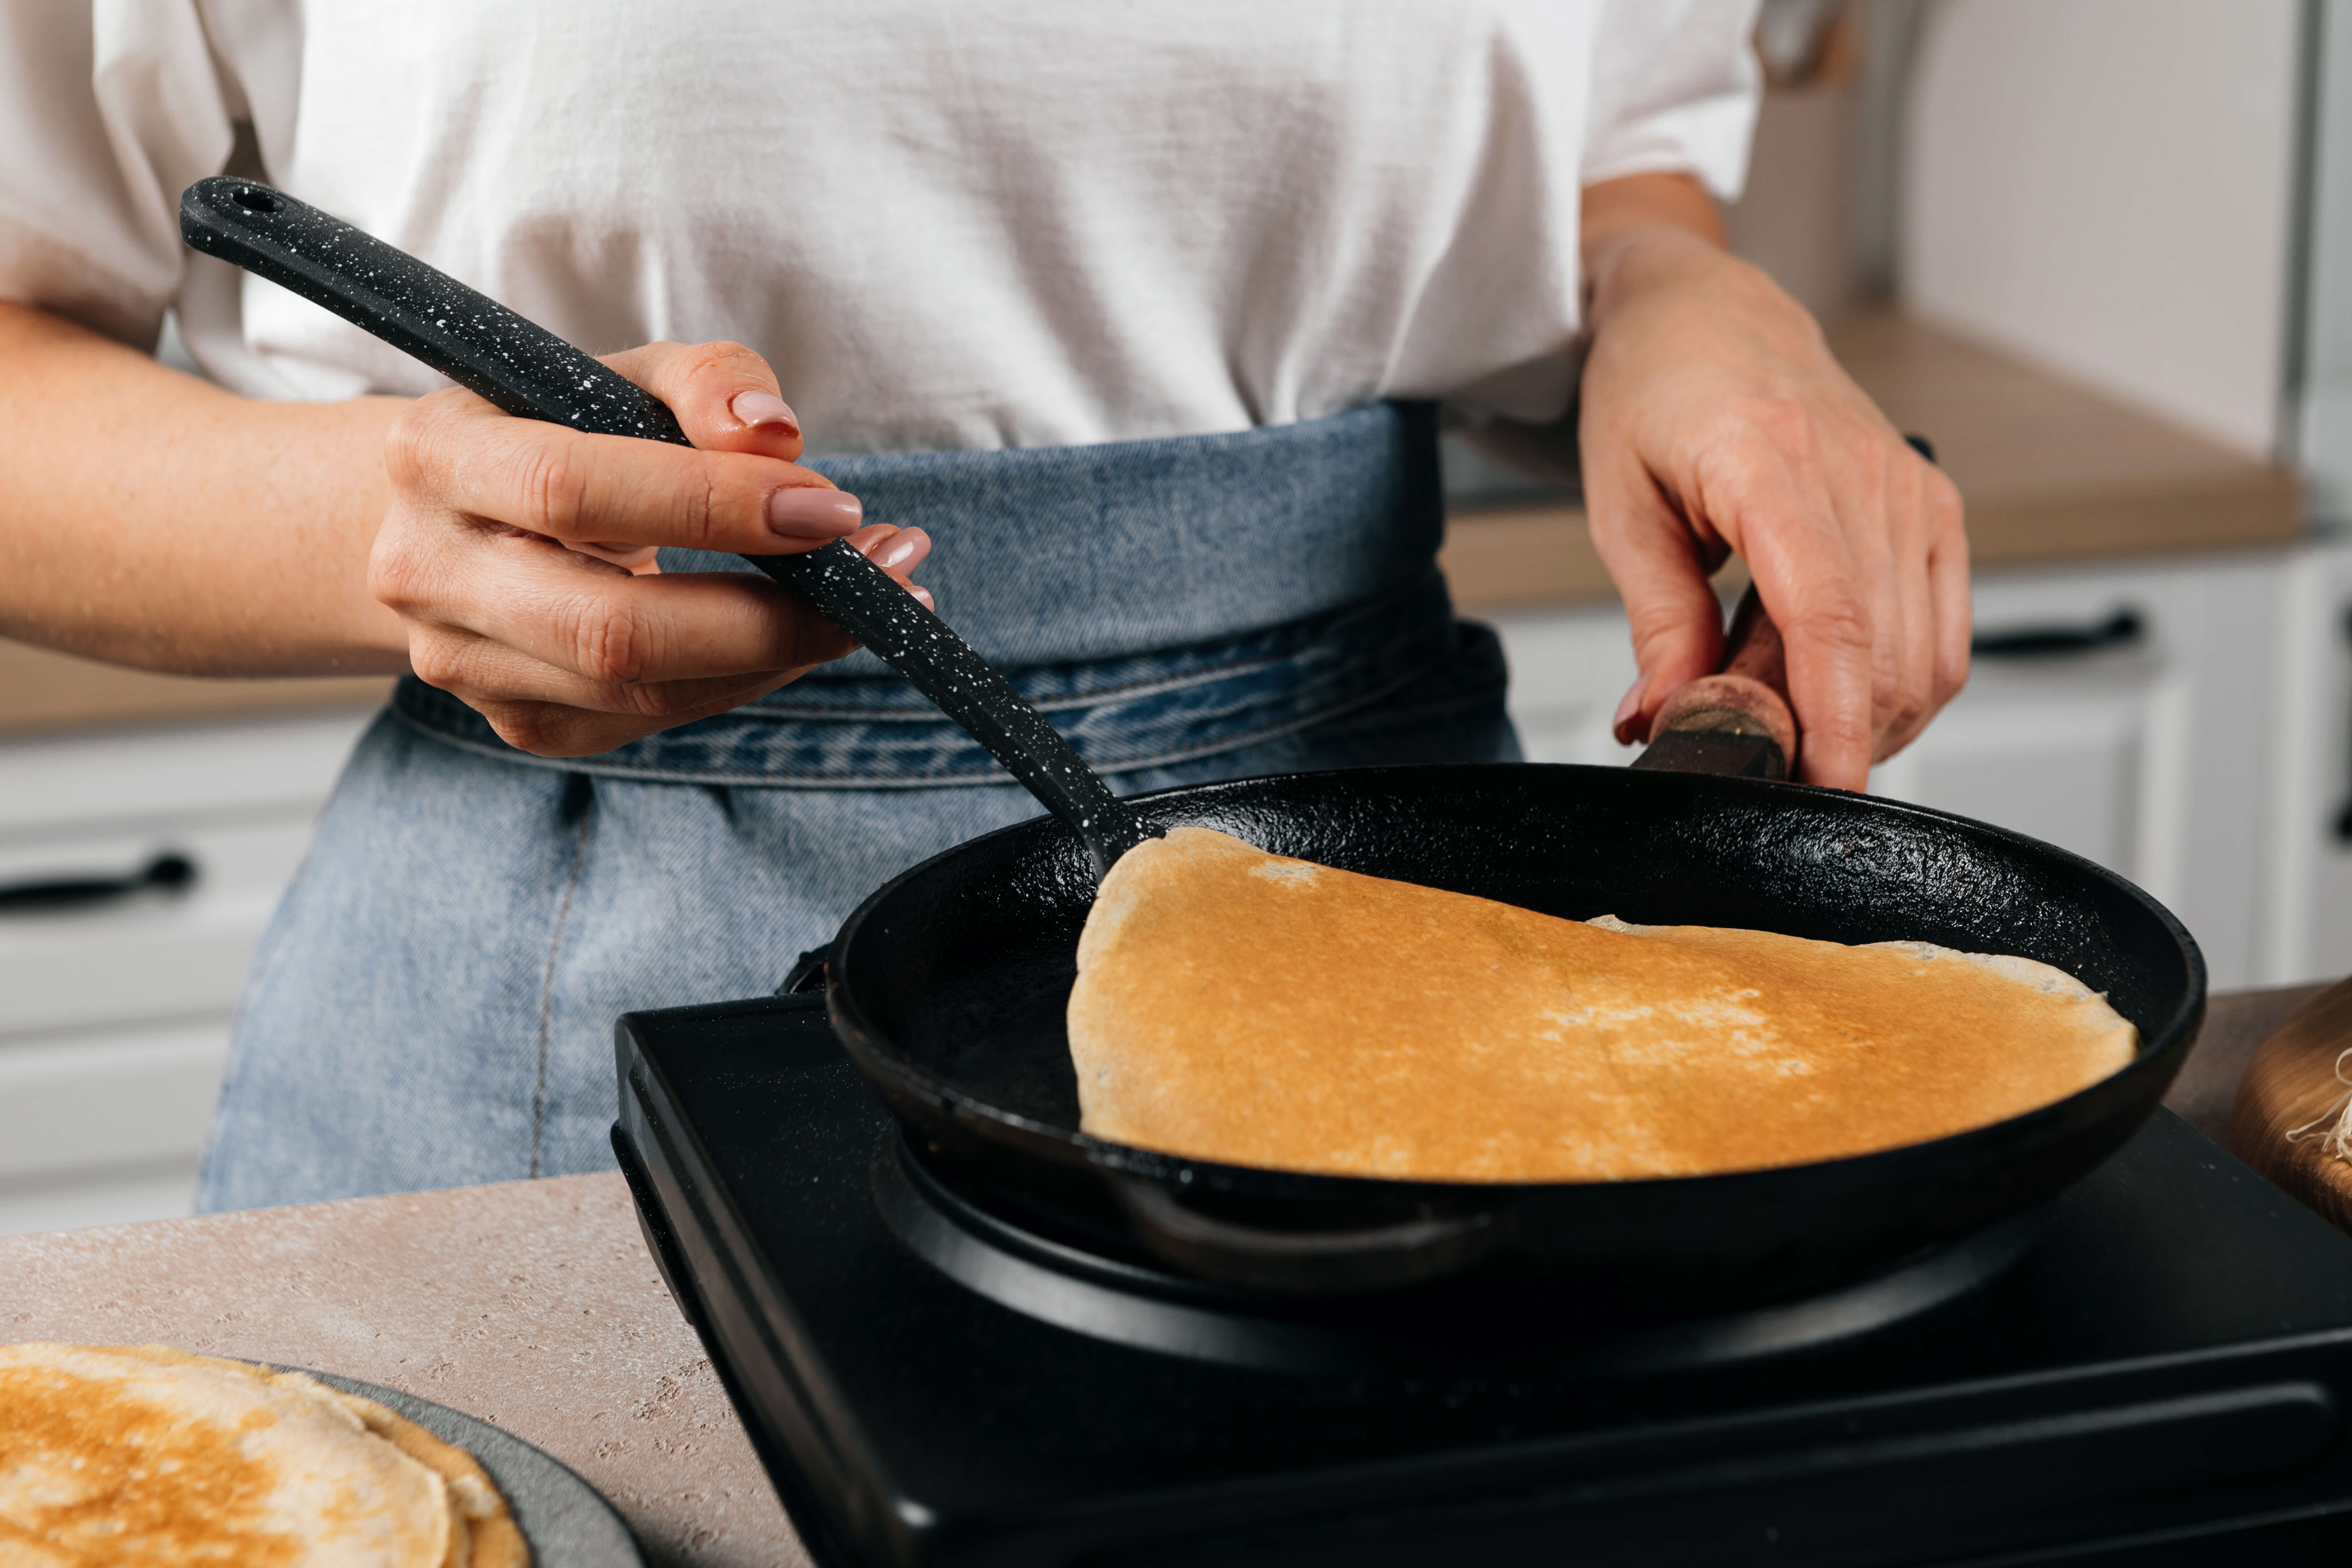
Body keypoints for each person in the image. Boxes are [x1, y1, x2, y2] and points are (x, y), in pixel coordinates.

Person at [0, 2, 1966, 1209]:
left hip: (1405, 866)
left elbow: (1603, 145)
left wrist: (1680, 289)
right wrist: (398, 520)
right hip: (583, 965)